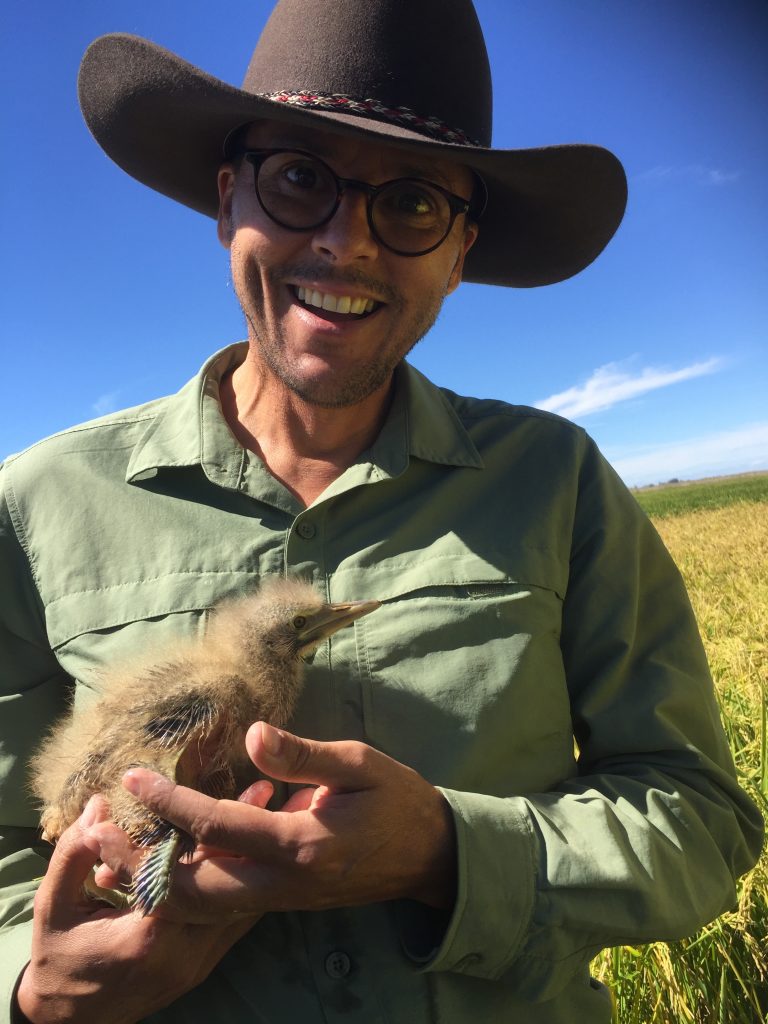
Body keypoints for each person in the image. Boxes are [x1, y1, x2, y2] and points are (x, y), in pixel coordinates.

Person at [0, 0, 763, 1021]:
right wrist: (30, 979)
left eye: (410, 204)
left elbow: (700, 822)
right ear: (229, 201)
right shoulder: (41, 503)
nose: (347, 244)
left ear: (458, 253)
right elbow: (17, 843)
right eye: (300, 178)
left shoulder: (556, 481)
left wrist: (447, 853)